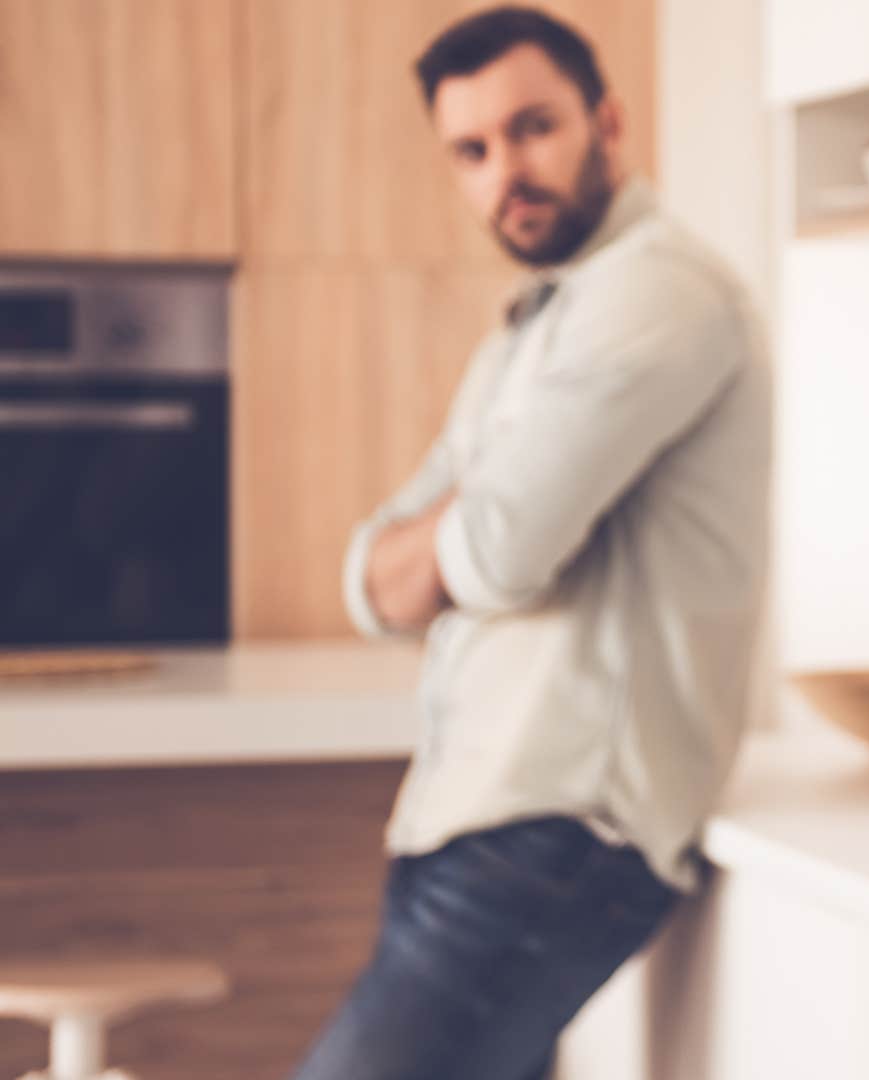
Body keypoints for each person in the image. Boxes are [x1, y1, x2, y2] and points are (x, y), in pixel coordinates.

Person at [289, 6, 771, 1079]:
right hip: (473, 820)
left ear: (609, 121)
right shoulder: (532, 325)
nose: (507, 169)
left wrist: (449, 541)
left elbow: (500, 551)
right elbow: (368, 576)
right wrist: (443, 543)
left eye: (533, 128)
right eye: (472, 149)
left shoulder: (660, 291)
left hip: (556, 833)